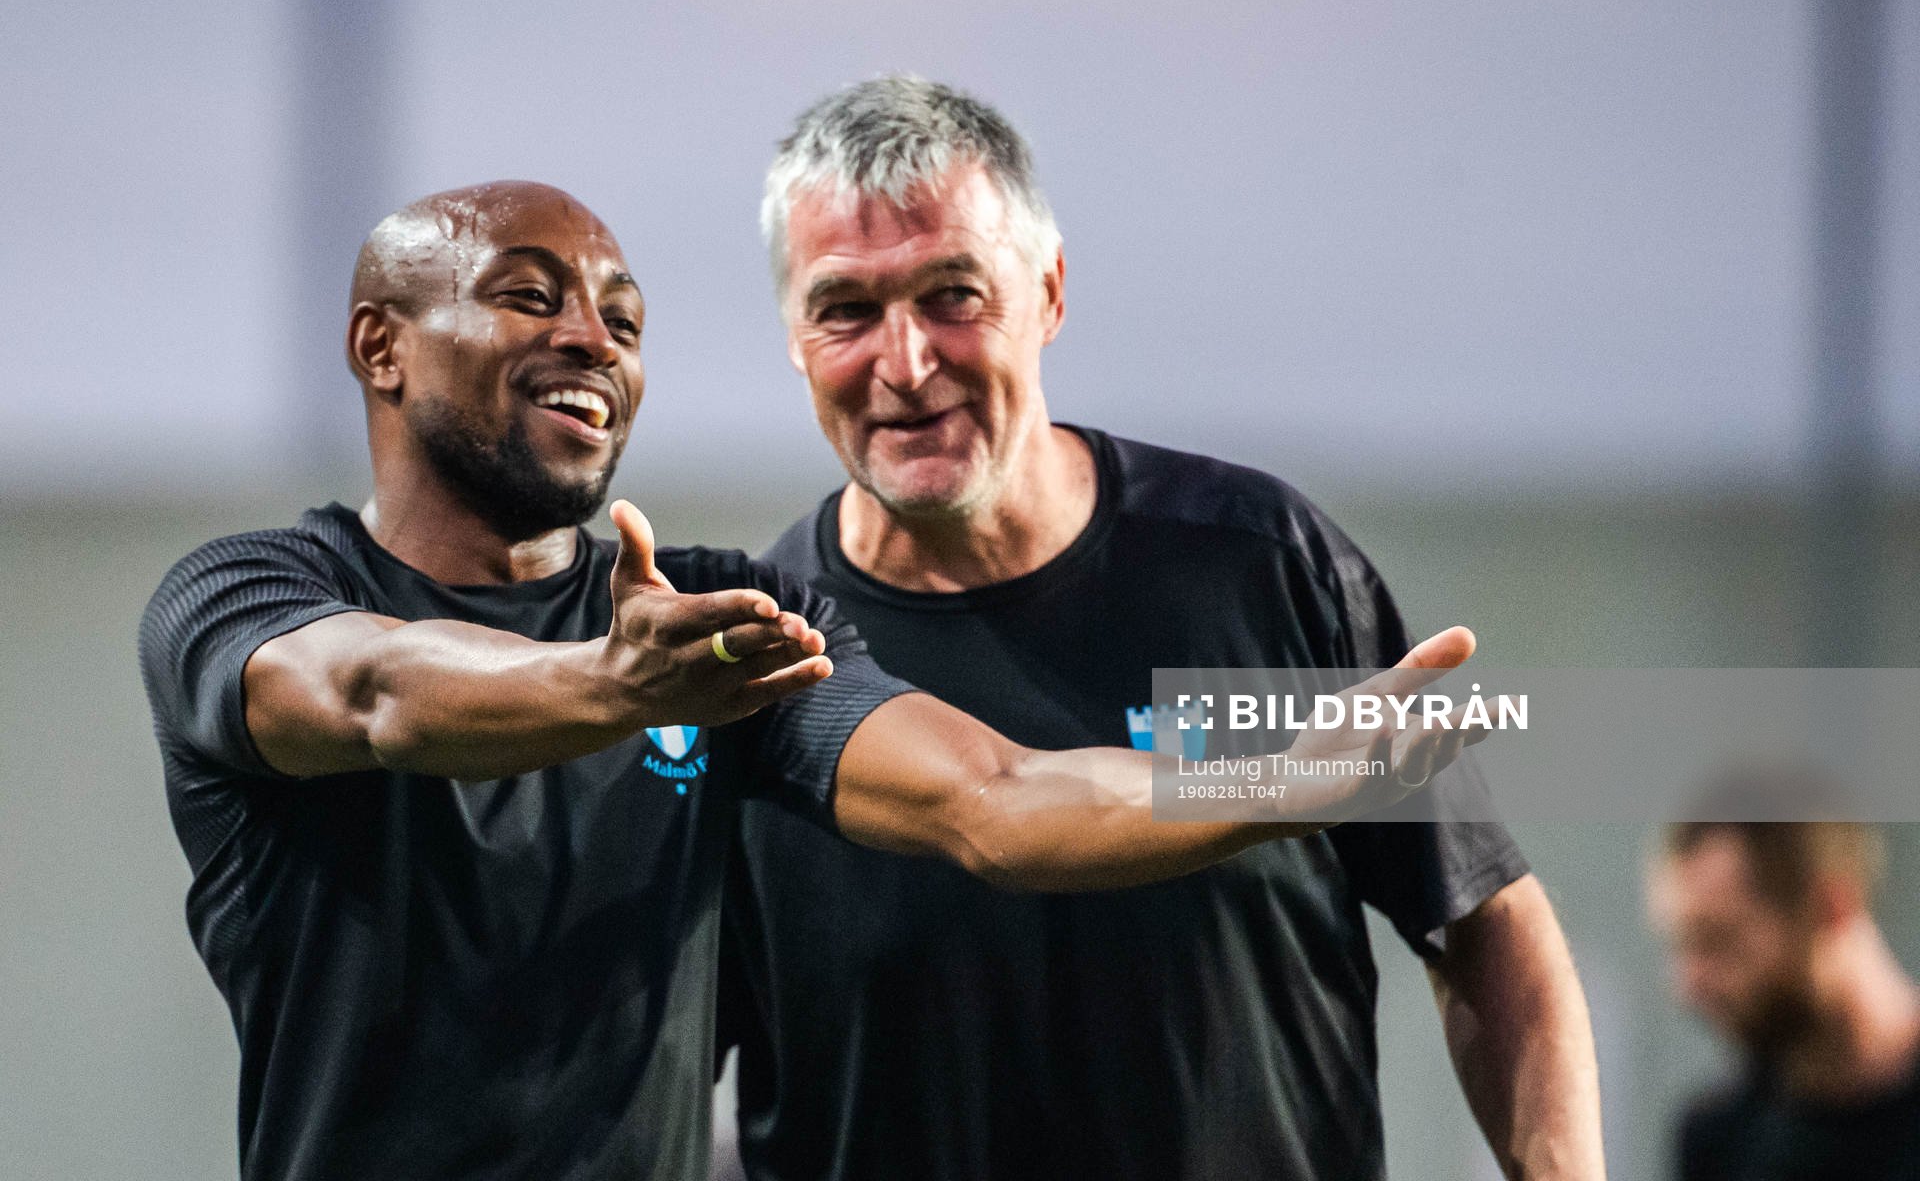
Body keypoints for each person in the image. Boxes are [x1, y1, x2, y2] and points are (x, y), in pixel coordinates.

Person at [137, 180, 1467, 1181]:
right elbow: (371, 698)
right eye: (532, 296)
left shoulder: (729, 623)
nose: (594, 339)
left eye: (623, 318)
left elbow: (995, 800)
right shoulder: (248, 595)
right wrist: (615, 689)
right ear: (382, 347)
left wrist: (1278, 776)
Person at [720, 76, 1606, 1180]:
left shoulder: (1255, 566)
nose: (905, 362)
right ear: (795, 339)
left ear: (1048, 293)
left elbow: (1481, 918)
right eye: (846, 307)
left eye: (954, 294)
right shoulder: (753, 668)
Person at [1648, 820, 1920, 1179]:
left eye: (1719, 940)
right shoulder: (1719, 1141)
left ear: (1830, 909)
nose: (1689, 985)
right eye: (1683, 946)